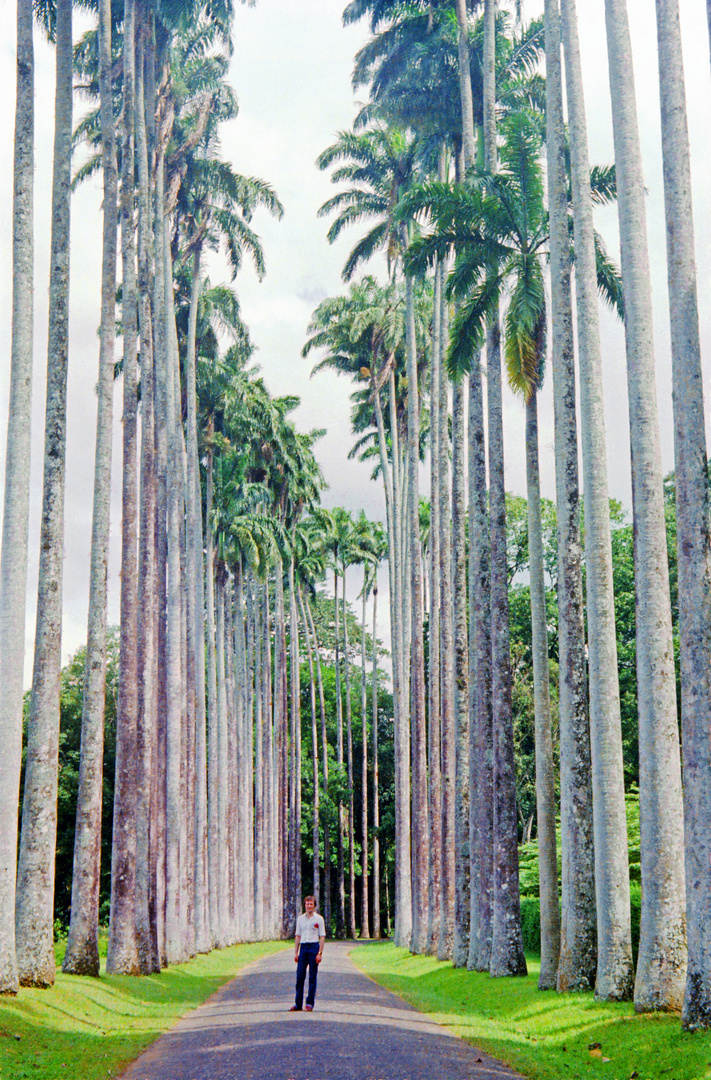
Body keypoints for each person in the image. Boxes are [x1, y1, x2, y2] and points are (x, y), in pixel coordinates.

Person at [290, 895, 325, 1012]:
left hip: (314, 947)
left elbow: (322, 936)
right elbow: (297, 935)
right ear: (304, 905)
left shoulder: (319, 919)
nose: (309, 906)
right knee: (300, 976)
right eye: (307, 904)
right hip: (303, 948)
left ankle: (309, 1003)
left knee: (312, 977)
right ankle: (298, 1003)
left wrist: (319, 953)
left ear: (314, 906)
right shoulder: (300, 919)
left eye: (311, 904)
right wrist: (296, 952)